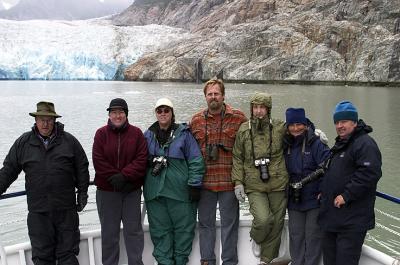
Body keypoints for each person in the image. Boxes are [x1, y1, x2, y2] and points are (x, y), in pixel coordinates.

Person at [0, 101, 89, 265]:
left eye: (49, 119)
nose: (45, 123)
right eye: (41, 119)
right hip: (38, 212)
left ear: (54, 120)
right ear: (35, 120)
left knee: (67, 256)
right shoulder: (24, 143)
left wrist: (82, 193)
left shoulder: (69, 141)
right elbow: (9, 169)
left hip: (66, 211)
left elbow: (82, 167)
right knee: (42, 257)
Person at [190, 79, 247, 265]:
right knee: (205, 225)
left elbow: (252, 143)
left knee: (229, 226)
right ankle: (207, 261)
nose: (213, 97)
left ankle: (229, 262)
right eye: (210, 94)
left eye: (216, 93)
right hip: (205, 183)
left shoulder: (239, 118)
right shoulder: (196, 120)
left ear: (223, 95)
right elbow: (187, 150)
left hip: (229, 183)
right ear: (205, 97)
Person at [318, 100, 382, 265]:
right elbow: (335, 172)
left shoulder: (365, 143)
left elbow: (370, 172)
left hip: (351, 221)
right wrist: (324, 191)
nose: (339, 126)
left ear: (354, 122)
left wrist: (347, 195)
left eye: (344, 121)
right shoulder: (342, 143)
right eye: (337, 122)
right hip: (334, 218)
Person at [144, 98, 205, 265]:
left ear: (172, 113)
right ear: (156, 113)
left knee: (184, 232)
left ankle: (180, 262)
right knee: (160, 232)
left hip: (181, 194)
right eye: (159, 111)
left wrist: (194, 184)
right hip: (155, 194)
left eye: (166, 110)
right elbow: (137, 160)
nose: (163, 113)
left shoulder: (184, 134)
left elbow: (196, 161)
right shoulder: (148, 135)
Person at [231, 92, 289, 265]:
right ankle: (257, 238)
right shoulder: (243, 129)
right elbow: (237, 158)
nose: (258, 111)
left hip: (278, 182)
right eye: (255, 107)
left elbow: (298, 130)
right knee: (264, 220)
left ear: (268, 109)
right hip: (254, 184)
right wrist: (238, 182)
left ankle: (266, 259)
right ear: (251, 109)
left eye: (262, 107)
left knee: (277, 222)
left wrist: (314, 133)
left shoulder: (279, 127)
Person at [92, 98, 148, 265]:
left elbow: (141, 159)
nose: (117, 115)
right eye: (114, 112)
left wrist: (124, 176)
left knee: (134, 232)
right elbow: (98, 160)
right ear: (109, 115)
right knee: (109, 234)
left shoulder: (136, 134)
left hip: (131, 191)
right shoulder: (101, 134)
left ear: (126, 114)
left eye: (121, 112)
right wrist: (115, 177)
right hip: (107, 192)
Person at [282, 108, 330, 265]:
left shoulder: (315, 143)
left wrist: (323, 190)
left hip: (313, 198)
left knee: (313, 236)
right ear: (287, 126)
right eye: (291, 125)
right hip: (294, 199)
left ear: (305, 124)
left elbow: (328, 167)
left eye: (299, 124)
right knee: (296, 236)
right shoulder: (285, 143)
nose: (295, 128)